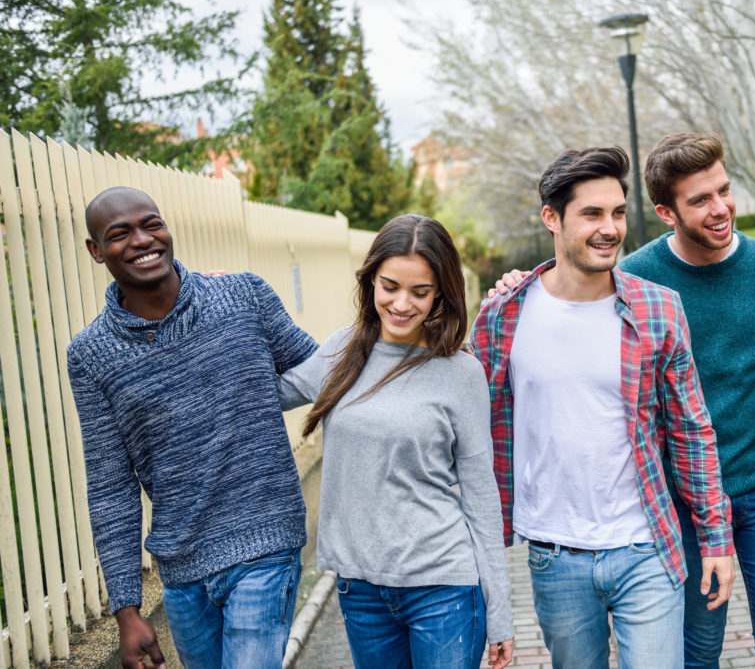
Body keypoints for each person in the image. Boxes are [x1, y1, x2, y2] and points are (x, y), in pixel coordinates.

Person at [491, 133, 755, 667]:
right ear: (666, 212)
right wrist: (518, 288)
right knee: (697, 653)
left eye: (724, 191)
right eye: (700, 200)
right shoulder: (627, 280)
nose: (721, 208)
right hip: (669, 505)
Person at [471, 146, 735, 669]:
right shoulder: (503, 314)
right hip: (554, 553)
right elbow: (474, 435)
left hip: (647, 547)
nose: (610, 228)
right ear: (552, 218)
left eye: (617, 213)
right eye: (592, 214)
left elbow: (691, 431)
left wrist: (715, 538)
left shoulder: (658, 307)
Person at [67, 186, 318, 669]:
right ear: (96, 251)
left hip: (266, 540)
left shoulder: (242, 295)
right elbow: (110, 485)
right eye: (120, 234)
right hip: (181, 570)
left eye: (152, 224)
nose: (143, 240)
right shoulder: (91, 355)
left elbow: (324, 372)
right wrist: (126, 609)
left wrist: (428, 337)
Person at [277, 214, 515, 669]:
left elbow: (483, 497)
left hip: (443, 587)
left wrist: (500, 611)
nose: (402, 303)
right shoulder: (341, 351)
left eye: (420, 292)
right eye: (389, 286)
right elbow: (260, 394)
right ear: (370, 282)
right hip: (361, 590)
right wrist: (220, 305)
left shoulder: (460, 372)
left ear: (441, 292)